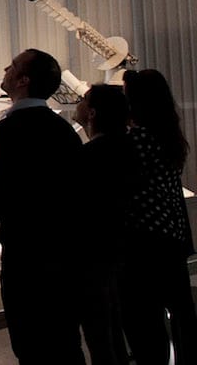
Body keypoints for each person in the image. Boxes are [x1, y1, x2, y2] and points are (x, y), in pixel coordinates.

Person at [0, 48, 86, 364]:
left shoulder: (9, 129)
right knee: (65, 341)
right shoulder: (64, 130)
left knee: (30, 343)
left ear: (23, 80)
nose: (6, 69)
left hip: (27, 257)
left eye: (13, 66)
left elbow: (3, 191)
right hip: (64, 255)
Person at [118, 68, 197, 365]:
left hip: (143, 244)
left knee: (144, 322)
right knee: (180, 313)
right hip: (172, 239)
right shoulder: (168, 138)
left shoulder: (136, 141)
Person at [72, 83, 133, 364]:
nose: (78, 103)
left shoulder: (91, 156)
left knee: (101, 336)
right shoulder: (127, 148)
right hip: (118, 255)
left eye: (84, 99)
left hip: (95, 259)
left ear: (92, 113)